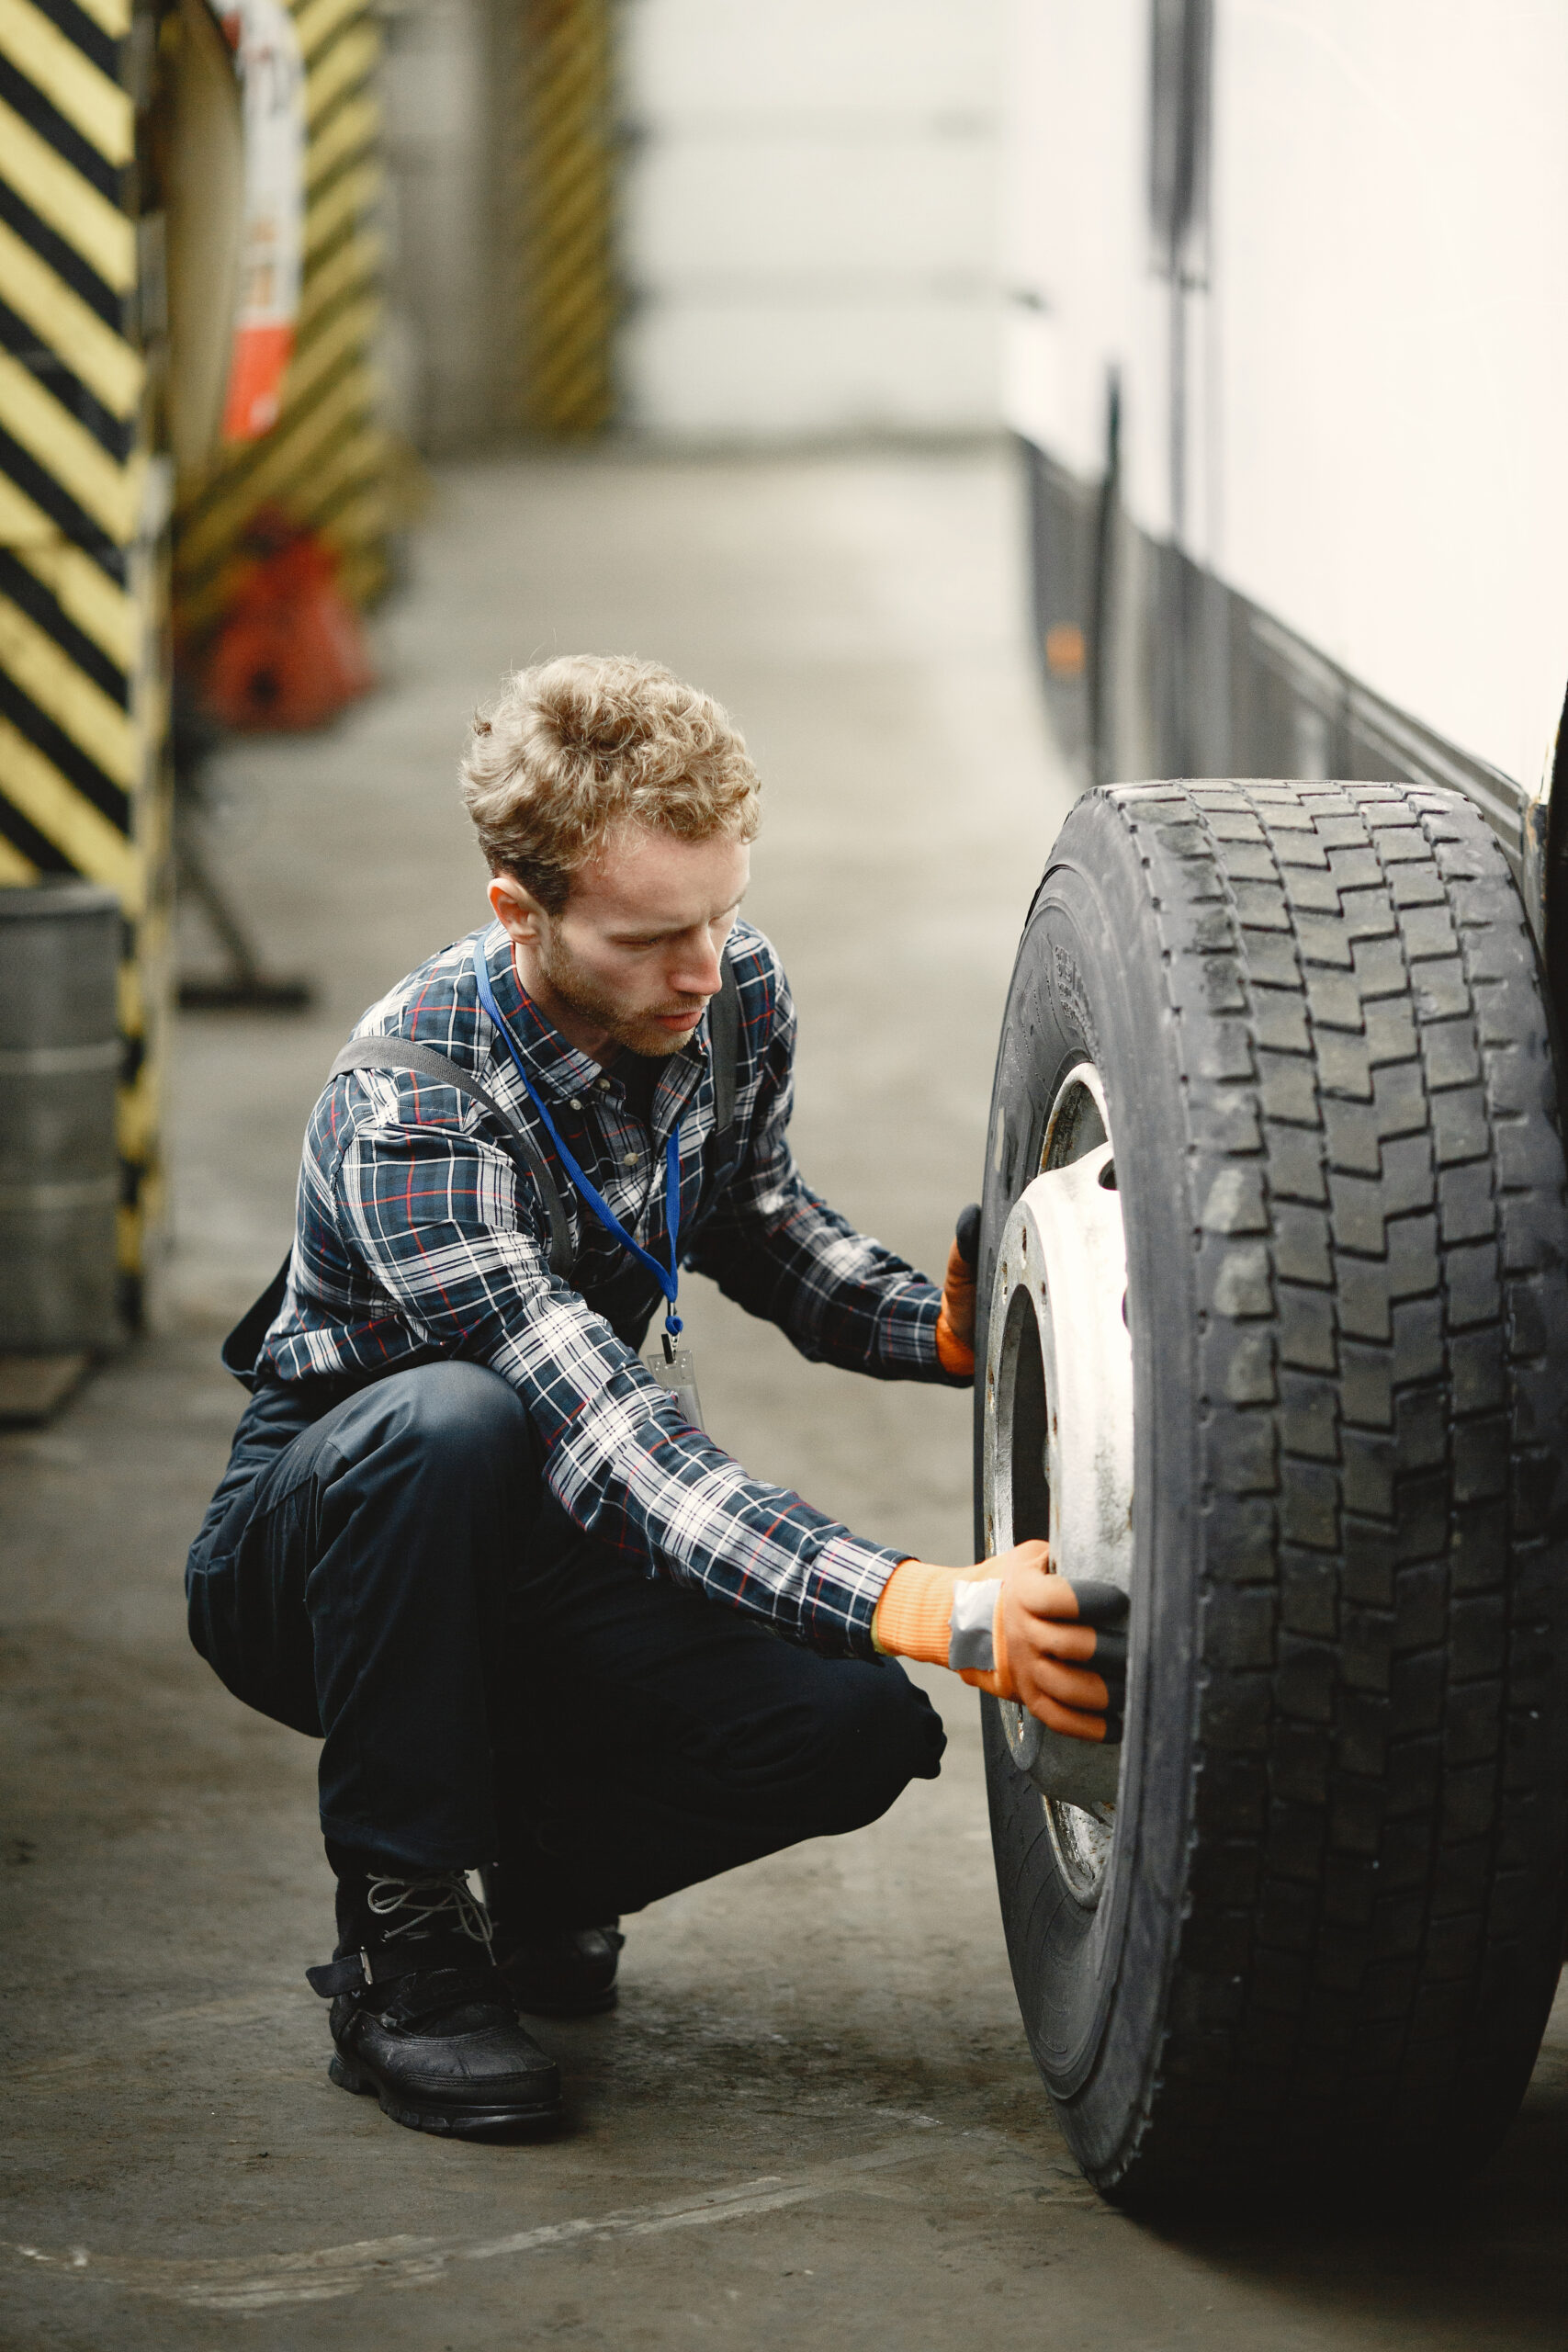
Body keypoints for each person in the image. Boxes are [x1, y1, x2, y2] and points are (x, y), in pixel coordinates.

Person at [186, 655, 1126, 2142]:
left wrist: (931, 1331)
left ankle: (542, 1870)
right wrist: (929, 1605)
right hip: (339, 1541)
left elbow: (751, 1214)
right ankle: (403, 1945)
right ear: (521, 914)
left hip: (552, 1512)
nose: (705, 969)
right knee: (455, 1424)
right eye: (651, 936)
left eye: (723, 913)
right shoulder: (413, 1105)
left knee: (853, 1728)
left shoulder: (724, 991)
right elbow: (610, 1436)